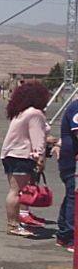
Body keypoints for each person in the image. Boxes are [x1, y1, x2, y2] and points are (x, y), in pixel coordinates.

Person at [0, 80, 49, 237]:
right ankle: (13, 225)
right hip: (21, 155)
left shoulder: (21, 112)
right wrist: (40, 158)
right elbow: (37, 138)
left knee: (14, 190)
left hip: (11, 154)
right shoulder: (35, 113)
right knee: (16, 191)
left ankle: (16, 221)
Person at [56, 96, 78, 252]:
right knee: (74, 198)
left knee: (71, 195)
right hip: (72, 161)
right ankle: (71, 237)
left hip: (68, 159)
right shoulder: (76, 108)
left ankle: (64, 234)